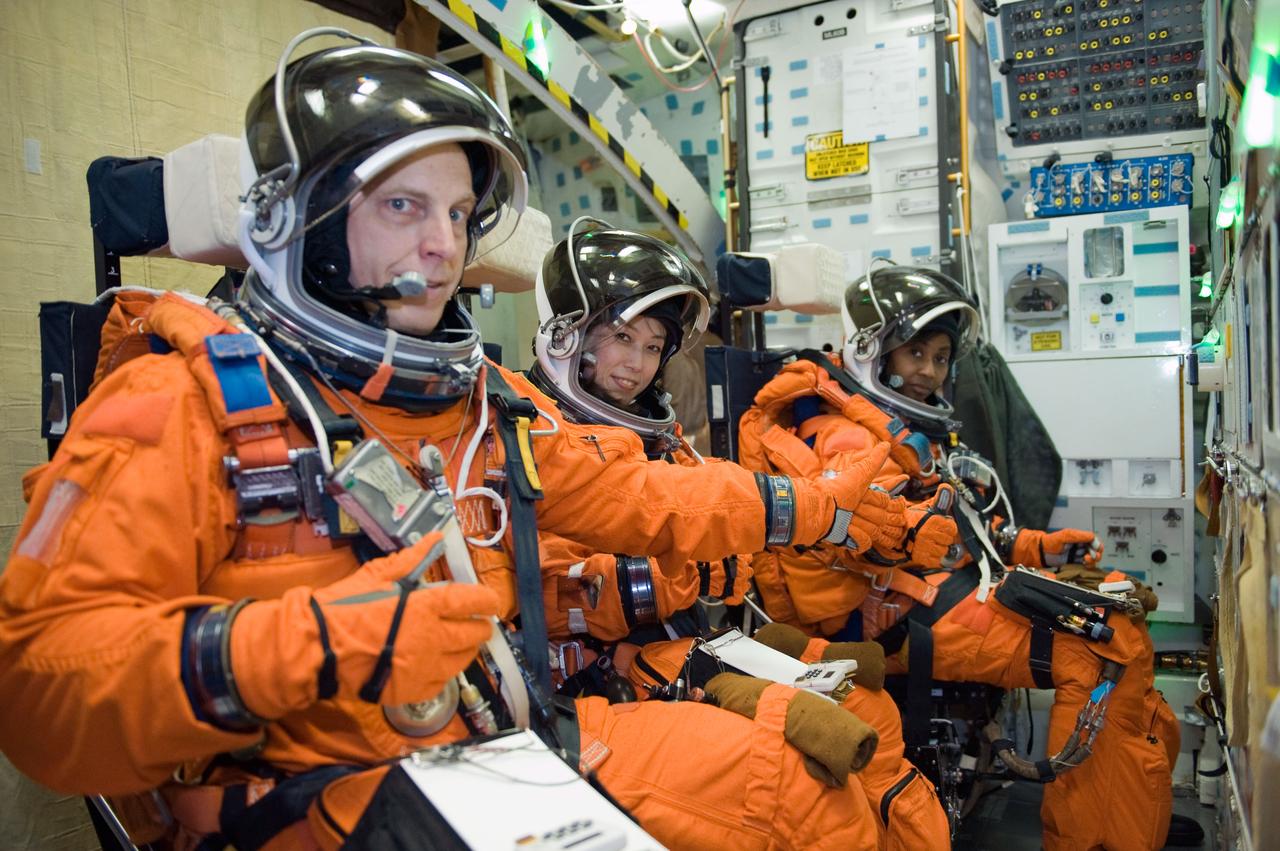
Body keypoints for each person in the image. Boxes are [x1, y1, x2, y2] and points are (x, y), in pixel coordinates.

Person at [0, 33, 923, 850]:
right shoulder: (179, 404)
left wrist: (814, 506)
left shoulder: (481, 411)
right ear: (302, 215)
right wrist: (308, 643)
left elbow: (647, 496)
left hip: (492, 747)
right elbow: (35, 693)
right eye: (404, 207)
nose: (443, 244)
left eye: (456, 214)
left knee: (808, 796)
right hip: (317, 801)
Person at [527, 220, 953, 850]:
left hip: (688, 643)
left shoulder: (660, 444)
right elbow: (556, 582)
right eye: (621, 338)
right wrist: (679, 574)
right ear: (569, 334)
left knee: (874, 716)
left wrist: (841, 521)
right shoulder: (534, 438)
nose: (637, 365)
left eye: (652, 347)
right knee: (809, 785)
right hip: (600, 674)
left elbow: (719, 507)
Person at [735, 264, 1180, 851]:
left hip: (935, 592)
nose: (929, 371)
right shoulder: (846, 438)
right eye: (915, 351)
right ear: (873, 350)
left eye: (941, 357)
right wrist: (924, 526)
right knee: (1097, 647)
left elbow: (961, 523)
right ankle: (1095, 837)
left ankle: (1123, 816)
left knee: (1116, 608)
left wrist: (1034, 547)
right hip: (890, 619)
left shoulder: (897, 430)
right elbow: (872, 533)